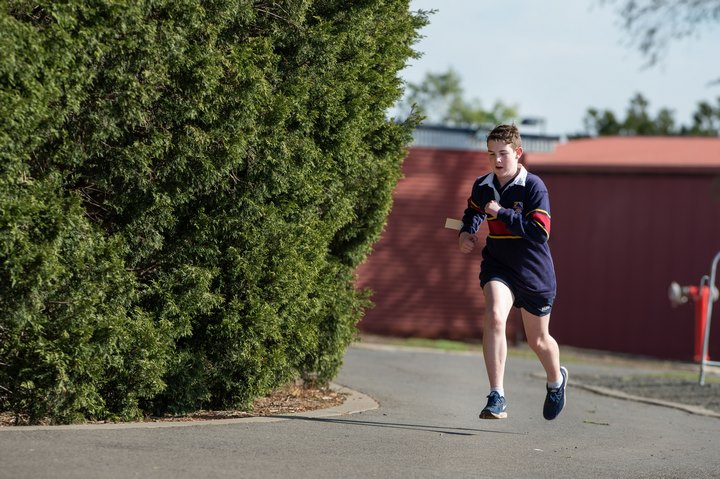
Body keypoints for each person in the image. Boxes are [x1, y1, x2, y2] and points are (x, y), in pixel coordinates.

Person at [458, 124, 567, 420]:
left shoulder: (534, 186)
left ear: (517, 153)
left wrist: (501, 213)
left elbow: (540, 232)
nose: (496, 160)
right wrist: (466, 232)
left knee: (538, 341)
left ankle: (556, 380)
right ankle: (497, 395)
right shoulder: (483, 184)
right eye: (491, 154)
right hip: (499, 266)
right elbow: (474, 211)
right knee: (495, 316)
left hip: (534, 273)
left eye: (503, 154)